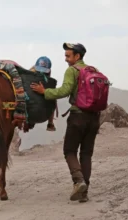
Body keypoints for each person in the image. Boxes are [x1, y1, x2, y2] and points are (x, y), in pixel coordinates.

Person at [30, 43, 101, 203]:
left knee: (69, 151)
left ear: (77, 56)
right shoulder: (93, 70)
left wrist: (45, 92)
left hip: (78, 117)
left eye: (68, 56)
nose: (66, 59)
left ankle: (78, 181)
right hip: (95, 117)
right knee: (86, 153)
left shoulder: (72, 70)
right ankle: (84, 192)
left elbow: (65, 91)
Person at [30, 56, 57, 131]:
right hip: (40, 108)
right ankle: (50, 123)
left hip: (34, 107)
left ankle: (50, 123)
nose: (41, 72)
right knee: (52, 97)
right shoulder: (49, 82)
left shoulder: (30, 76)